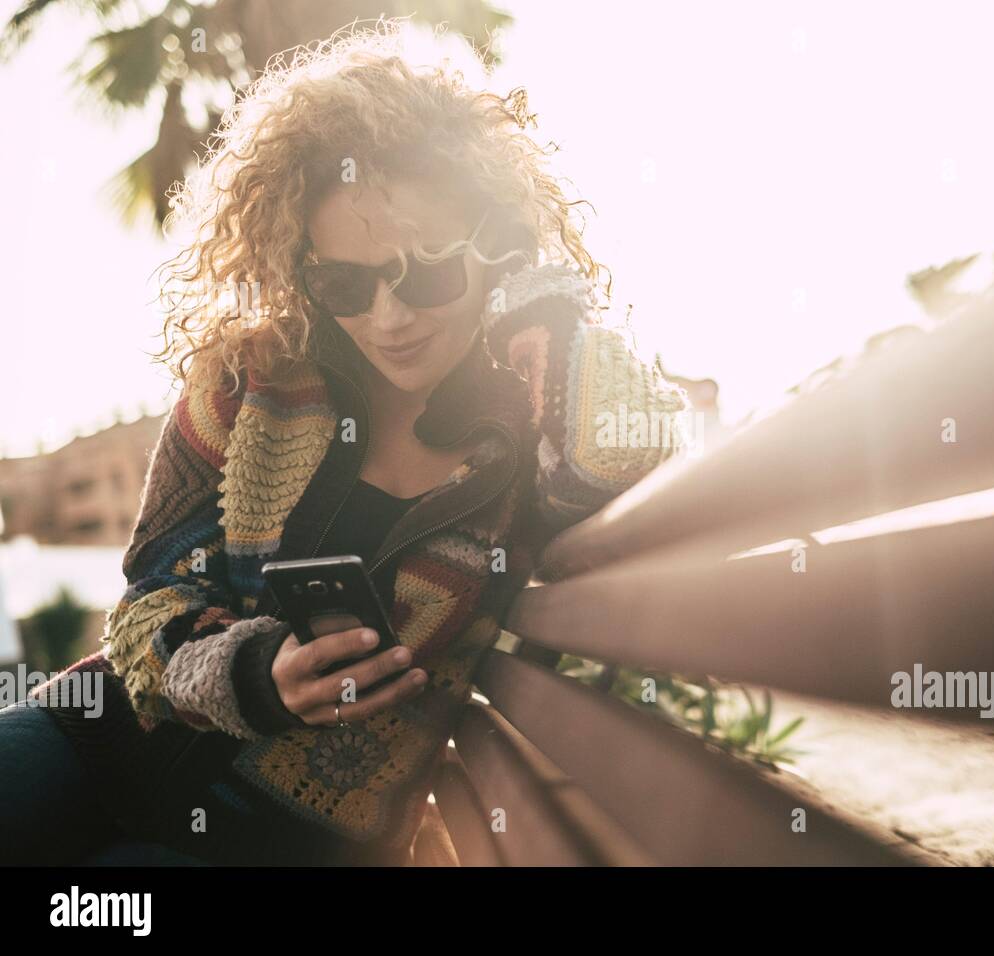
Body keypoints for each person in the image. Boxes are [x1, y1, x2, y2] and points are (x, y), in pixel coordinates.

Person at [0, 22, 689, 866]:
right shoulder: (245, 379)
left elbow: (626, 450)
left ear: (497, 245)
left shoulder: (533, 420)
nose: (387, 320)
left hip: (288, 839)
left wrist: (540, 300)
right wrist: (259, 675)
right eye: (344, 284)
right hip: (99, 736)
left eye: (427, 269)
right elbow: (148, 607)